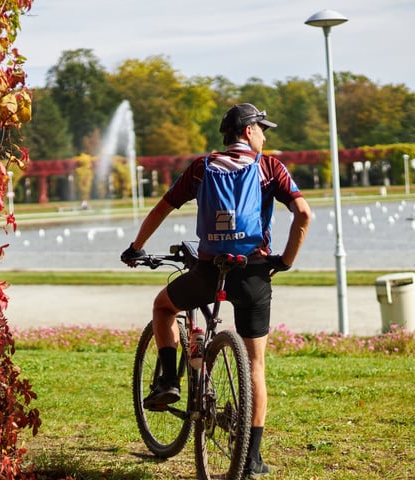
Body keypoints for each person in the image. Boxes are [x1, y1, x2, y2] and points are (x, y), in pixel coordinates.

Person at [121, 103, 311, 478]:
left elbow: (163, 207)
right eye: (262, 129)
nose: (265, 136)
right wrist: (285, 260)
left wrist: (137, 247)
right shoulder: (269, 167)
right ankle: (252, 459)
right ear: (248, 131)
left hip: (209, 272)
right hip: (254, 274)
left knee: (163, 307)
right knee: (255, 365)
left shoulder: (202, 167)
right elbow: (303, 214)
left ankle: (170, 381)